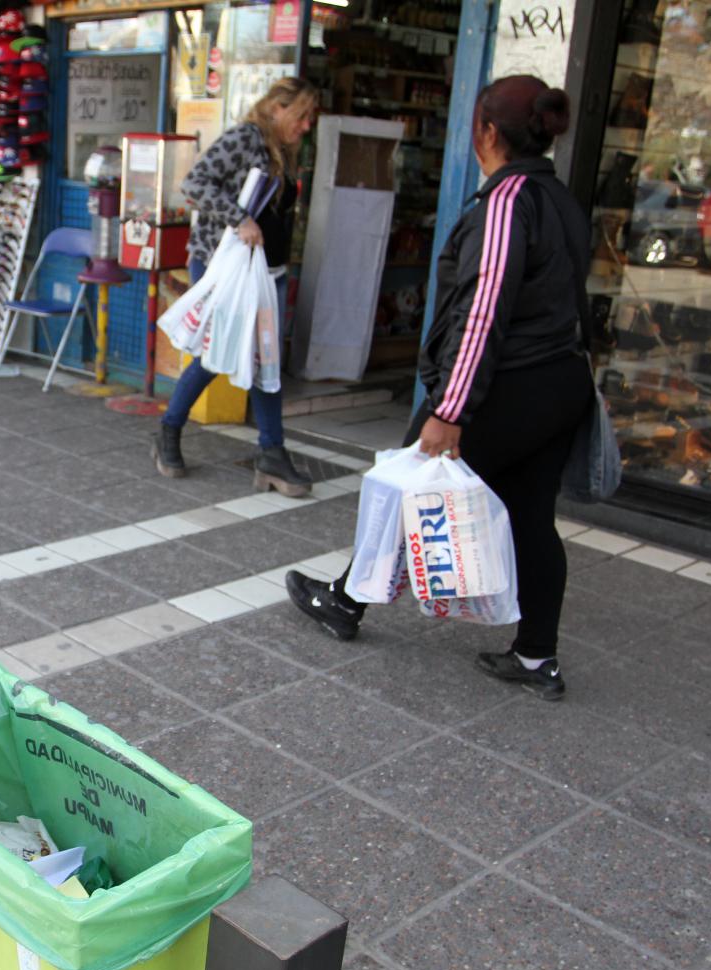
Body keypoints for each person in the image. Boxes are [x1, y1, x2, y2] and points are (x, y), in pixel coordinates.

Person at [285, 75, 595, 703]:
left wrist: (450, 410)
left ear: (485, 131)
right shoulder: (559, 197)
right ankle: (537, 657)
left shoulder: (509, 200)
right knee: (534, 518)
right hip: (560, 381)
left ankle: (344, 603)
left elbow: (485, 310)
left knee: (406, 486)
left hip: (504, 384)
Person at [153, 78, 319, 497]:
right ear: (278, 108)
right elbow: (194, 183)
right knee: (214, 354)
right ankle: (168, 430)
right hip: (223, 267)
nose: (306, 126)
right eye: (302, 116)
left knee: (267, 359)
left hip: (267, 272)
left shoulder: (285, 150)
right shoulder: (245, 138)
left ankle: (272, 455)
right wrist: (239, 218)